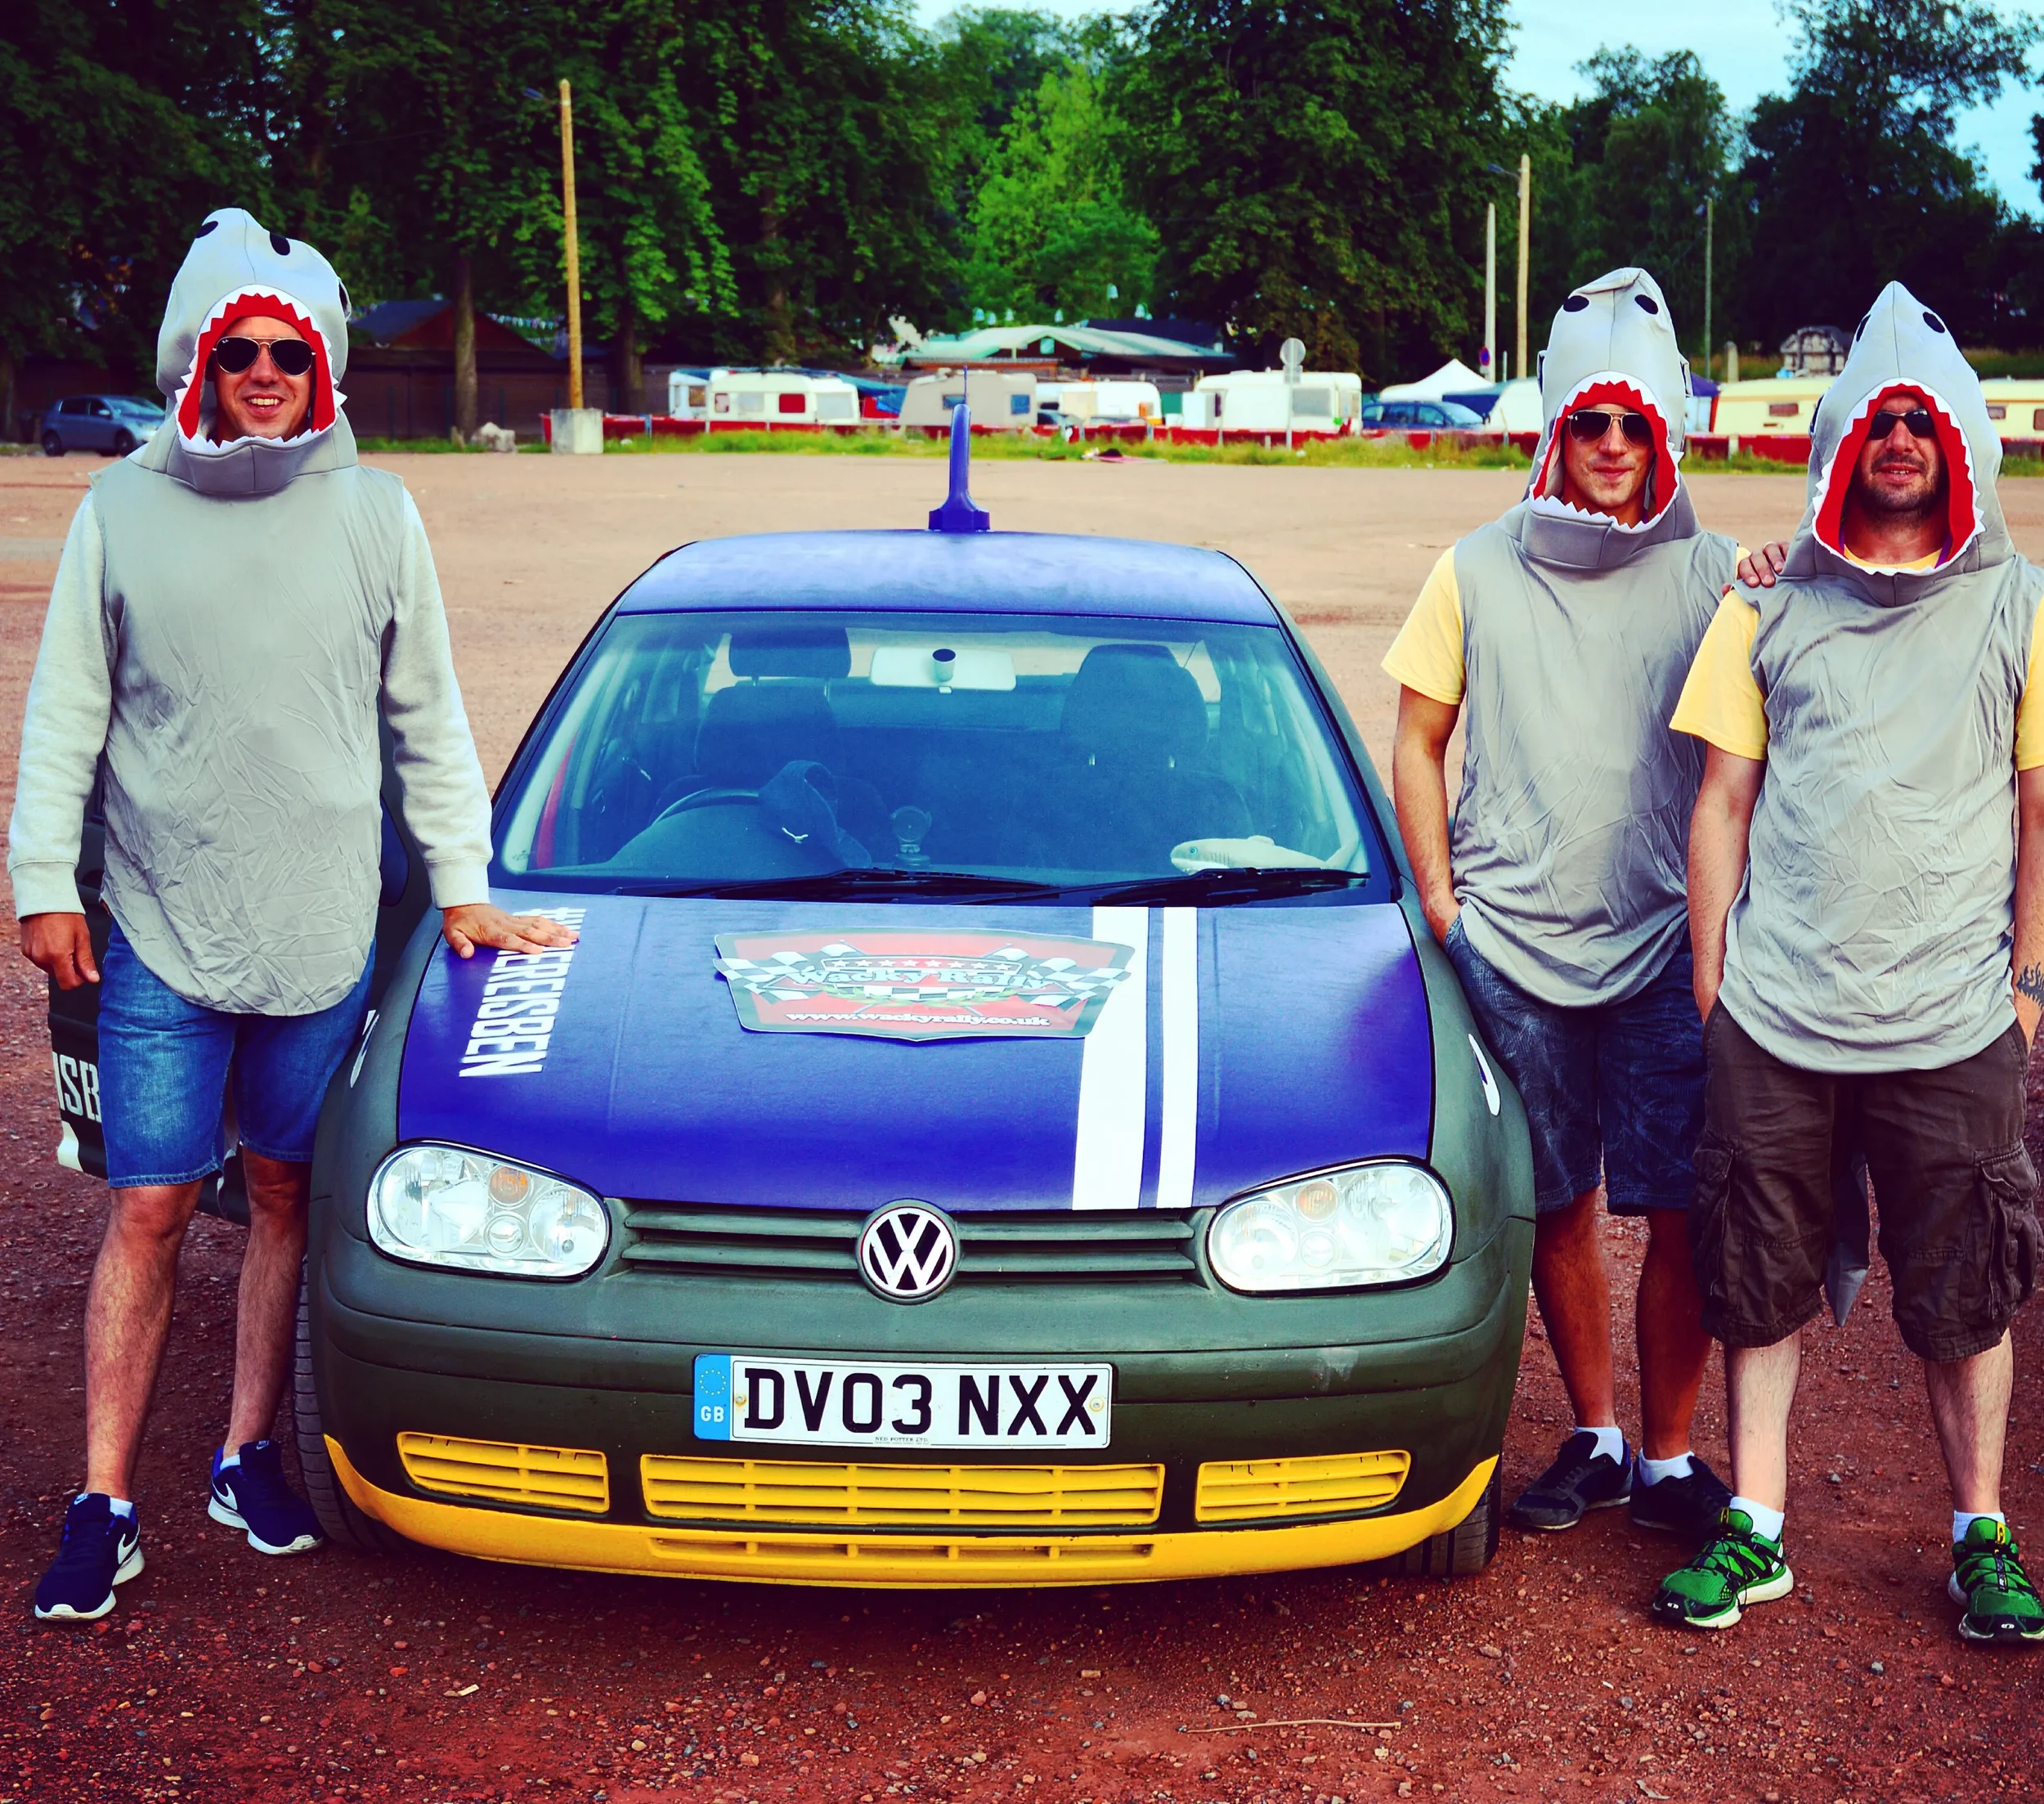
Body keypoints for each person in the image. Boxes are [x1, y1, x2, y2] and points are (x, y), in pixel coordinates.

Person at [10, 209, 575, 1622]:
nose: (267, 371)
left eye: (291, 352)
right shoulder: (118, 512)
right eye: (242, 350)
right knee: (148, 1203)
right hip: (157, 923)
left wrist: (463, 889)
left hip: (323, 931)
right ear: (201, 360)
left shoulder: (378, 512)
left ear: (320, 368)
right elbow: (67, 714)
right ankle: (104, 1501)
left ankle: (244, 1453)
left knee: (278, 1190)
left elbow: (429, 720)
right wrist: (40, 885)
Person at [1657, 280, 2044, 1643]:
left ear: (1958, 447)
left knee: (1965, 1287)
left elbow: (2038, 803)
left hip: (1951, 1015)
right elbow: (1720, 802)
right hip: (1780, 1013)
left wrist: (2028, 983)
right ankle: (1753, 1526)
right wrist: (1714, 991)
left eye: (1918, 422)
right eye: (1874, 420)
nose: (1896, 440)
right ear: (1839, 443)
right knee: (1759, 1271)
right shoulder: (1768, 606)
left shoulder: (2021, 605)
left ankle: (1978, 1533)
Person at [1385, 267, 1736, 1545]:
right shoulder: (1475, 567)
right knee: (1554, 1200)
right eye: (1589, 422)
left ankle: (1670, 1451)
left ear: (1667, 432)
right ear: (1553, 425)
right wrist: (1441, 896)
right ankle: (1591, 1431)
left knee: (1683, 1204)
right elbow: (1419, 736)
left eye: (1634, 424)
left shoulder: (1714, 577)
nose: (1610, 446)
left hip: (1661, 948)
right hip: (1515, 949)